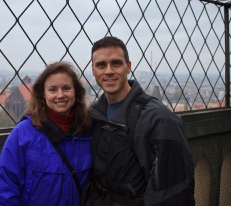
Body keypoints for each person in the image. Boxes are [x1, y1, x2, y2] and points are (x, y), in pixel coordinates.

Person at [81, 36, 195, 206]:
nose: (109, 71)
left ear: (128, 67)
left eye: (116, 63)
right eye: (101, 65)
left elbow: (173, 192)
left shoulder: (160, 119)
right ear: (93, 70)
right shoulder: (93, 115)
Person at [0, 61, 92, 206]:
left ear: (76, 92)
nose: (60, 95)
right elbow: (6, 191)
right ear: (43, 95)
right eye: (52, 90)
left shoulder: (88, 129)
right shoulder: (23, 134)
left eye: (66, 88)